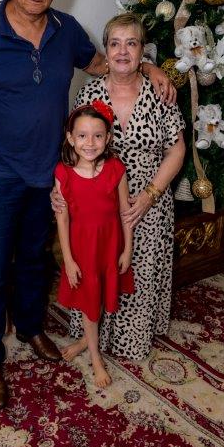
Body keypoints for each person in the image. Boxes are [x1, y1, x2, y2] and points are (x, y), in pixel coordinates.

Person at [0, 0, 175, 409]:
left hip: (48, 174)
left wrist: (148, 67)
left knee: (34, 259)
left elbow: (104, 63)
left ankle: (30, 329)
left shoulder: (66, 30)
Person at [55, 12, 185, 362]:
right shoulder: (90, 92)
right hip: (96, 205)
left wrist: (149, 196)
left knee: (135, 271)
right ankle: (90, 338)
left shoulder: (159, 92)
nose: (123, 51)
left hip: (147, 201)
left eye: (131, 43)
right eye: (115, 43)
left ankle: (129, 338)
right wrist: (60, 189)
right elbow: (73, 145)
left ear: (143, 51)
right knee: (94, 270)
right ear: (106, 50)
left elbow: (177, 151)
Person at [55, 101, 134, 387]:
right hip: (82, 251)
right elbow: (62, 219)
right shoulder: (63, 173)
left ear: (108, 137)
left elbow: (125, 212)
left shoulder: (116, 169)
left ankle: (84, 342)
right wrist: (69, 260)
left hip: (109, 247)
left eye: (98, 136)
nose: (90, 143)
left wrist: (127, 249)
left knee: (98, 298)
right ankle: (95, 357)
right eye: (82, 136)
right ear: (70, 138)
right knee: (90, 303)